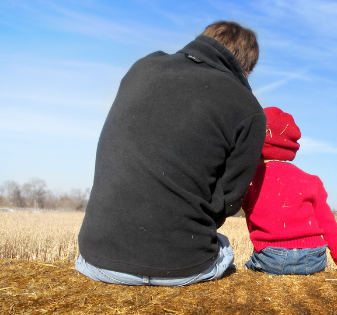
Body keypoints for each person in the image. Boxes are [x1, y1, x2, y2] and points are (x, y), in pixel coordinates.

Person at [76, 21, 266, 286]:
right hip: (182, 267)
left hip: (95, 260)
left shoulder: (143, 67)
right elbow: (229, 201)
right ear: (246, 68)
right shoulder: (249, 109)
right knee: (224, 247)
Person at [242, 107, 337, 275]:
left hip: (273, 258)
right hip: (316, 257)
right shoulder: (311, 180)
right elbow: (327, 223)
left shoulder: (249, 180)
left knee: (245, 267)